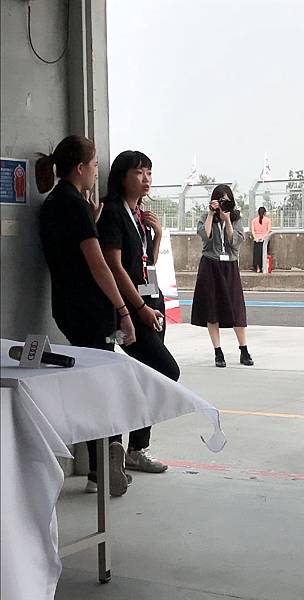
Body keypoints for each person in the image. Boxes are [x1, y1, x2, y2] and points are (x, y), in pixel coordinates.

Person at [38, 135, 136, 497]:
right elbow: (98, 265)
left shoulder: (53, 203)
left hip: (66, 308)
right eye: (94, 165)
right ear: (80, 168)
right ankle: (107, 460)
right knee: (105, 386)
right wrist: (123, 310)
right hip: (92, 311)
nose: (97, 171)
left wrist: (90, 220)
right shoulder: (75, 207)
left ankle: (98, 467)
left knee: (91, 384)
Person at [96, 150, 180, 482]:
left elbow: (145, 264)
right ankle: (127, 442)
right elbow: (115, 267)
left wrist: (156, 236)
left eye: (149, 172)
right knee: (165, 371)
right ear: (121, 177)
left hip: (149, 301)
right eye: (139, 172)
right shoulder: (113, 213)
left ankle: (137, 447)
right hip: (131, 308)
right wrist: (138, 309)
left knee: (151, 373)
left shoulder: (138, 215)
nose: (146, 179)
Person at [191, 184, 253, 368]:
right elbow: (205, 236)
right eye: (220, 200)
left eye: (227, 201)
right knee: (212, 309)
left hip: (230, 266)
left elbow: (234, 243)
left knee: (236, 308)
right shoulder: (205, 217)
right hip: (210, 265)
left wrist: (227, 220)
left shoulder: (236, 218)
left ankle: (244, 349)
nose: (223, 204)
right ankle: (218, 351)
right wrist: (211, 214)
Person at [251, 206, 272, 273]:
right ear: (265, 213)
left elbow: (253, 230)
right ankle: (264, 267)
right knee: (264, 254)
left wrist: (255, 237)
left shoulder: (254, 220)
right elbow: (268, 230)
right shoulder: (268, 220)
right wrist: (263, 237)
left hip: (256, 239)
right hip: (265, 240)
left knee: (257, 254)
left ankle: (258, 268)